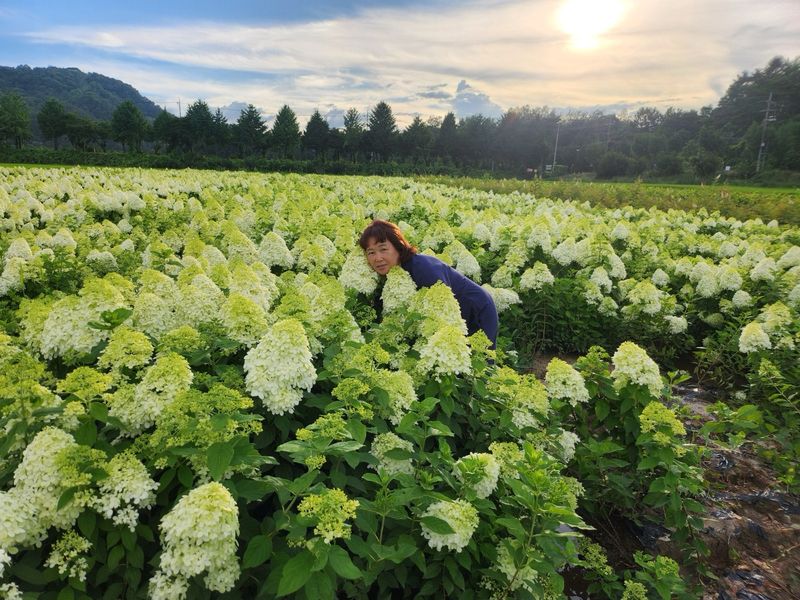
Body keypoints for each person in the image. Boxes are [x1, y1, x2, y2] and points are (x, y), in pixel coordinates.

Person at [359, 219, 499, 348]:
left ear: (399, 247)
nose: (377, 258)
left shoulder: (423, 268)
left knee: (479, 362)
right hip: (457, 314)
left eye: (383, 249)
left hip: (477, 310)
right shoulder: (390, 273)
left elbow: (443, 306)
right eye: (371, 252)